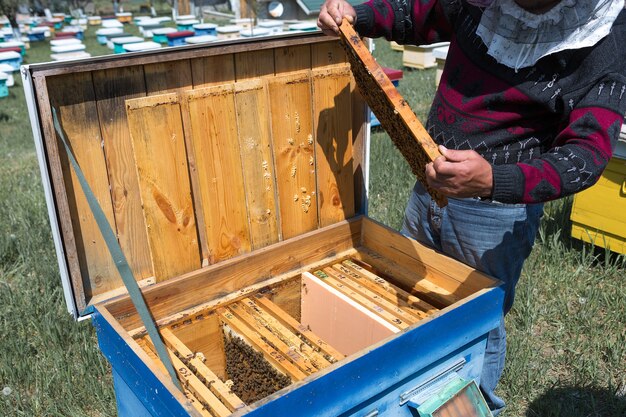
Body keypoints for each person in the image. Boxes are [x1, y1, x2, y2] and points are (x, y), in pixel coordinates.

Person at [318, 0, 626, 414]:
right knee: (409, 304)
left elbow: (586, 157)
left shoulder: (608, 34)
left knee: (472, 333)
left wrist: (494, 179)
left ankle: (472, 408)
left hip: (494, 214)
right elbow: (418, 13)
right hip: (428, 181)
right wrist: (360, 15)